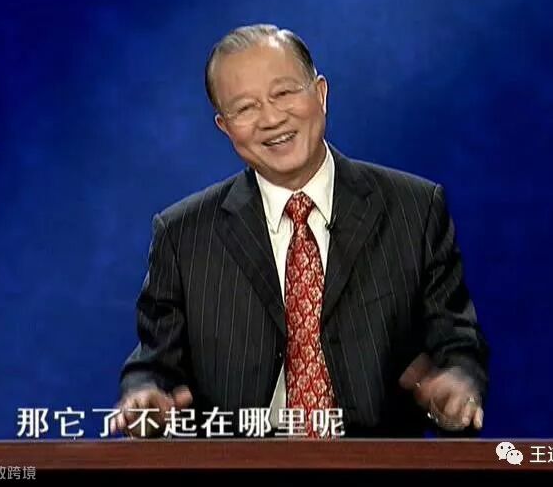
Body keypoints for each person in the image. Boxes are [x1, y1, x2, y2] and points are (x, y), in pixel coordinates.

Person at [111, 24, 489, 439]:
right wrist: (145, 397)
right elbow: (153, 365)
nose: (272, 118)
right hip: (236, 465)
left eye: (284, 93)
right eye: (245, 108)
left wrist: (458, 383)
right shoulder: (183, 234)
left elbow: (457, 343)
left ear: (320, 93)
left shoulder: (414, 209)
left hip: (374, 463)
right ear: (224, 126)